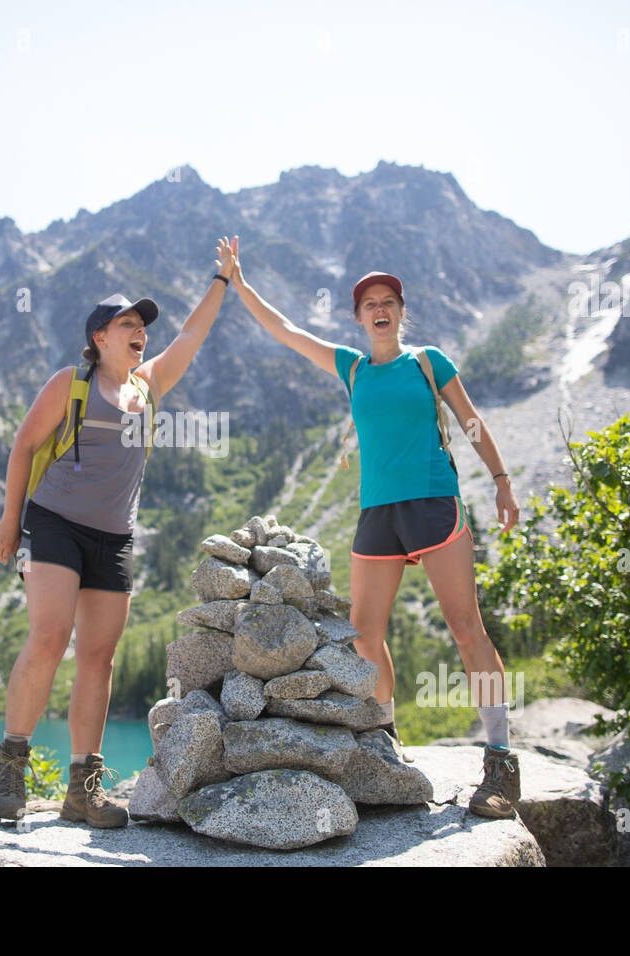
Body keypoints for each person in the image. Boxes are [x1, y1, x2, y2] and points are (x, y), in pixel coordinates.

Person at [228, 254, 524, 819]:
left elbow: (471, 421)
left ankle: (501, 760)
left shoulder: (428, 362)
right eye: (370, 305)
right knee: (364, 634)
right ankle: (388, 740)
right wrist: (242, 285)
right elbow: (287, 332)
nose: (380, 310)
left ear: (402, 313)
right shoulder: (352, 367)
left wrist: (502, 482)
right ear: (360, 319)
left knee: (466, 628)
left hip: (435, 503)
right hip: (379, 512)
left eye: (389, 302)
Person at [0, 236, 239, 827]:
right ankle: (10, 769)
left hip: (114, 539)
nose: (139, 332)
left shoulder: (148, 388)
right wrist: (8, 518)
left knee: (99, 658)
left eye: (141, 326)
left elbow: (192, 337)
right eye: (126, 324)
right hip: (53, 525)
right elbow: (24, 445)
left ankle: (83, 789)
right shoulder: (69, 385)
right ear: (99, 338)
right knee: (50, 637)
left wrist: (221, 279)